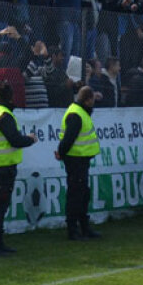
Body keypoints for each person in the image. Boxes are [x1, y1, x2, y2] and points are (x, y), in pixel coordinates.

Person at [0, 82, 36, 256]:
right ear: (11, 97)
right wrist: (30, 139)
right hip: (5, 166)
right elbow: (15, 140)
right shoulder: (5, 115)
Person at [56, 85, 101, 241]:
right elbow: (68, 138)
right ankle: (73, 229)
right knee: (76, 194)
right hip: (76, 160)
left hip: (80, 159)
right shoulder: (77, 115)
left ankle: (83, 227)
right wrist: (61, 152)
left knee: (82, 194)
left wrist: (62, 152)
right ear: (88, 100)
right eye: (93, 100)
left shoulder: (79, 112)